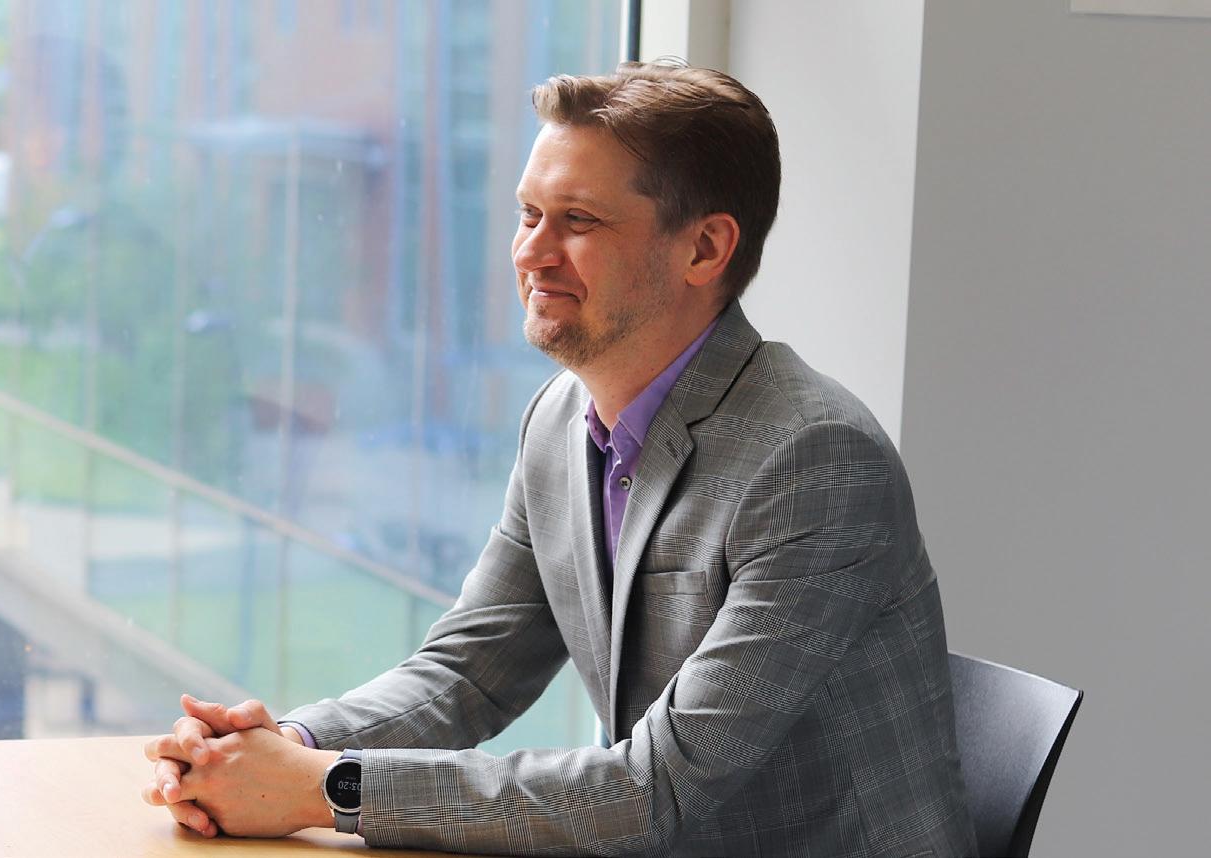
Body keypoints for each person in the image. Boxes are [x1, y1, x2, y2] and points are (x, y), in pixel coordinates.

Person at [141, 61, 974, 856]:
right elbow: (468, 673)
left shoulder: (814, 462)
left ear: (703, 249)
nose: (531, 252)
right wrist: (281, 745)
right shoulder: (559, 418)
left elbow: (654, 791)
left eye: (577, 221)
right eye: (527, 214)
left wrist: (324, 788)